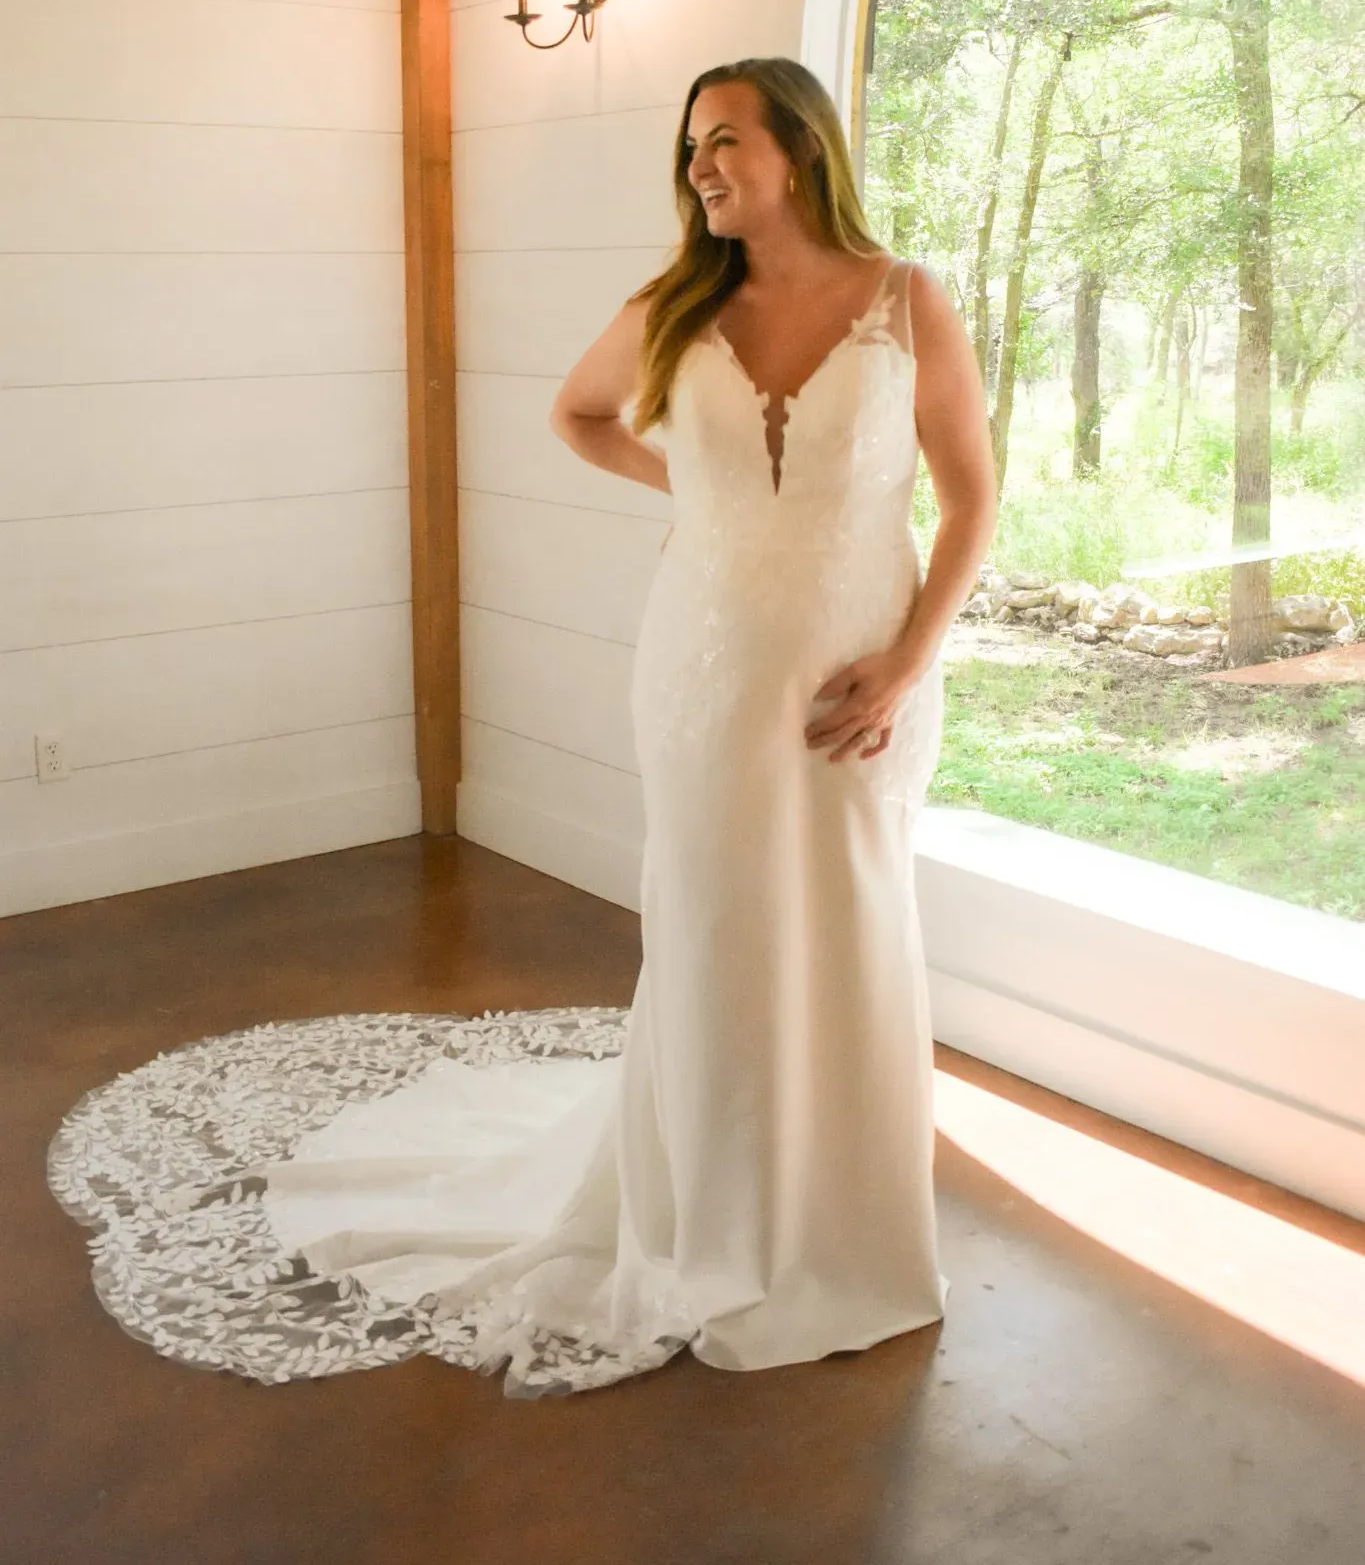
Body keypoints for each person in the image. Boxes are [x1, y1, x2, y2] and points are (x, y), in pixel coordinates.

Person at [47, 57, 995, 1400]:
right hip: (708, 662)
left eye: (725, 140)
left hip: (864, 671)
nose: (700, 168)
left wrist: (906, 662)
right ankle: (709, 1219)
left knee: (850, 919)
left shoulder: (906, 303)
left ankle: (844, 1227)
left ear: (800, 146)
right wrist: (708, 498)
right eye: (691, 148)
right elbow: (577, 415)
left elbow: (971, 498)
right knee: (716, 924)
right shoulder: (673, 307)